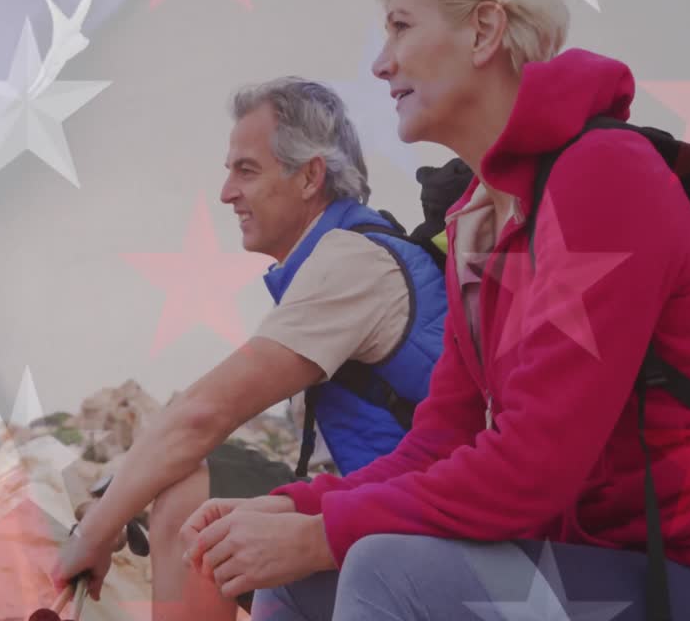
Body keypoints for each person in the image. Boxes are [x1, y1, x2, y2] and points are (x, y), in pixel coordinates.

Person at [180, 0, 690, 620]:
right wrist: (288, 510)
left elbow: (531, 470)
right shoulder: (481, 219)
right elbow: (439, 443)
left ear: (485, 31)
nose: (381, 63)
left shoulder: (605, 178)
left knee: (378, 566)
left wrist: (326, 533)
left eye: (401, 27)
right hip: (609, 570)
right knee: (294, 577)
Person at [49, 77, 448, 621]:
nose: (226, 192)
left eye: (247, 170)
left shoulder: (352, 263)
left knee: (196, 485)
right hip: (386, 521)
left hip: (415, 539)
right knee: (209, 484)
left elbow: (203, 415)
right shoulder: (339, 257)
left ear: (310, 176)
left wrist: (96, 532)